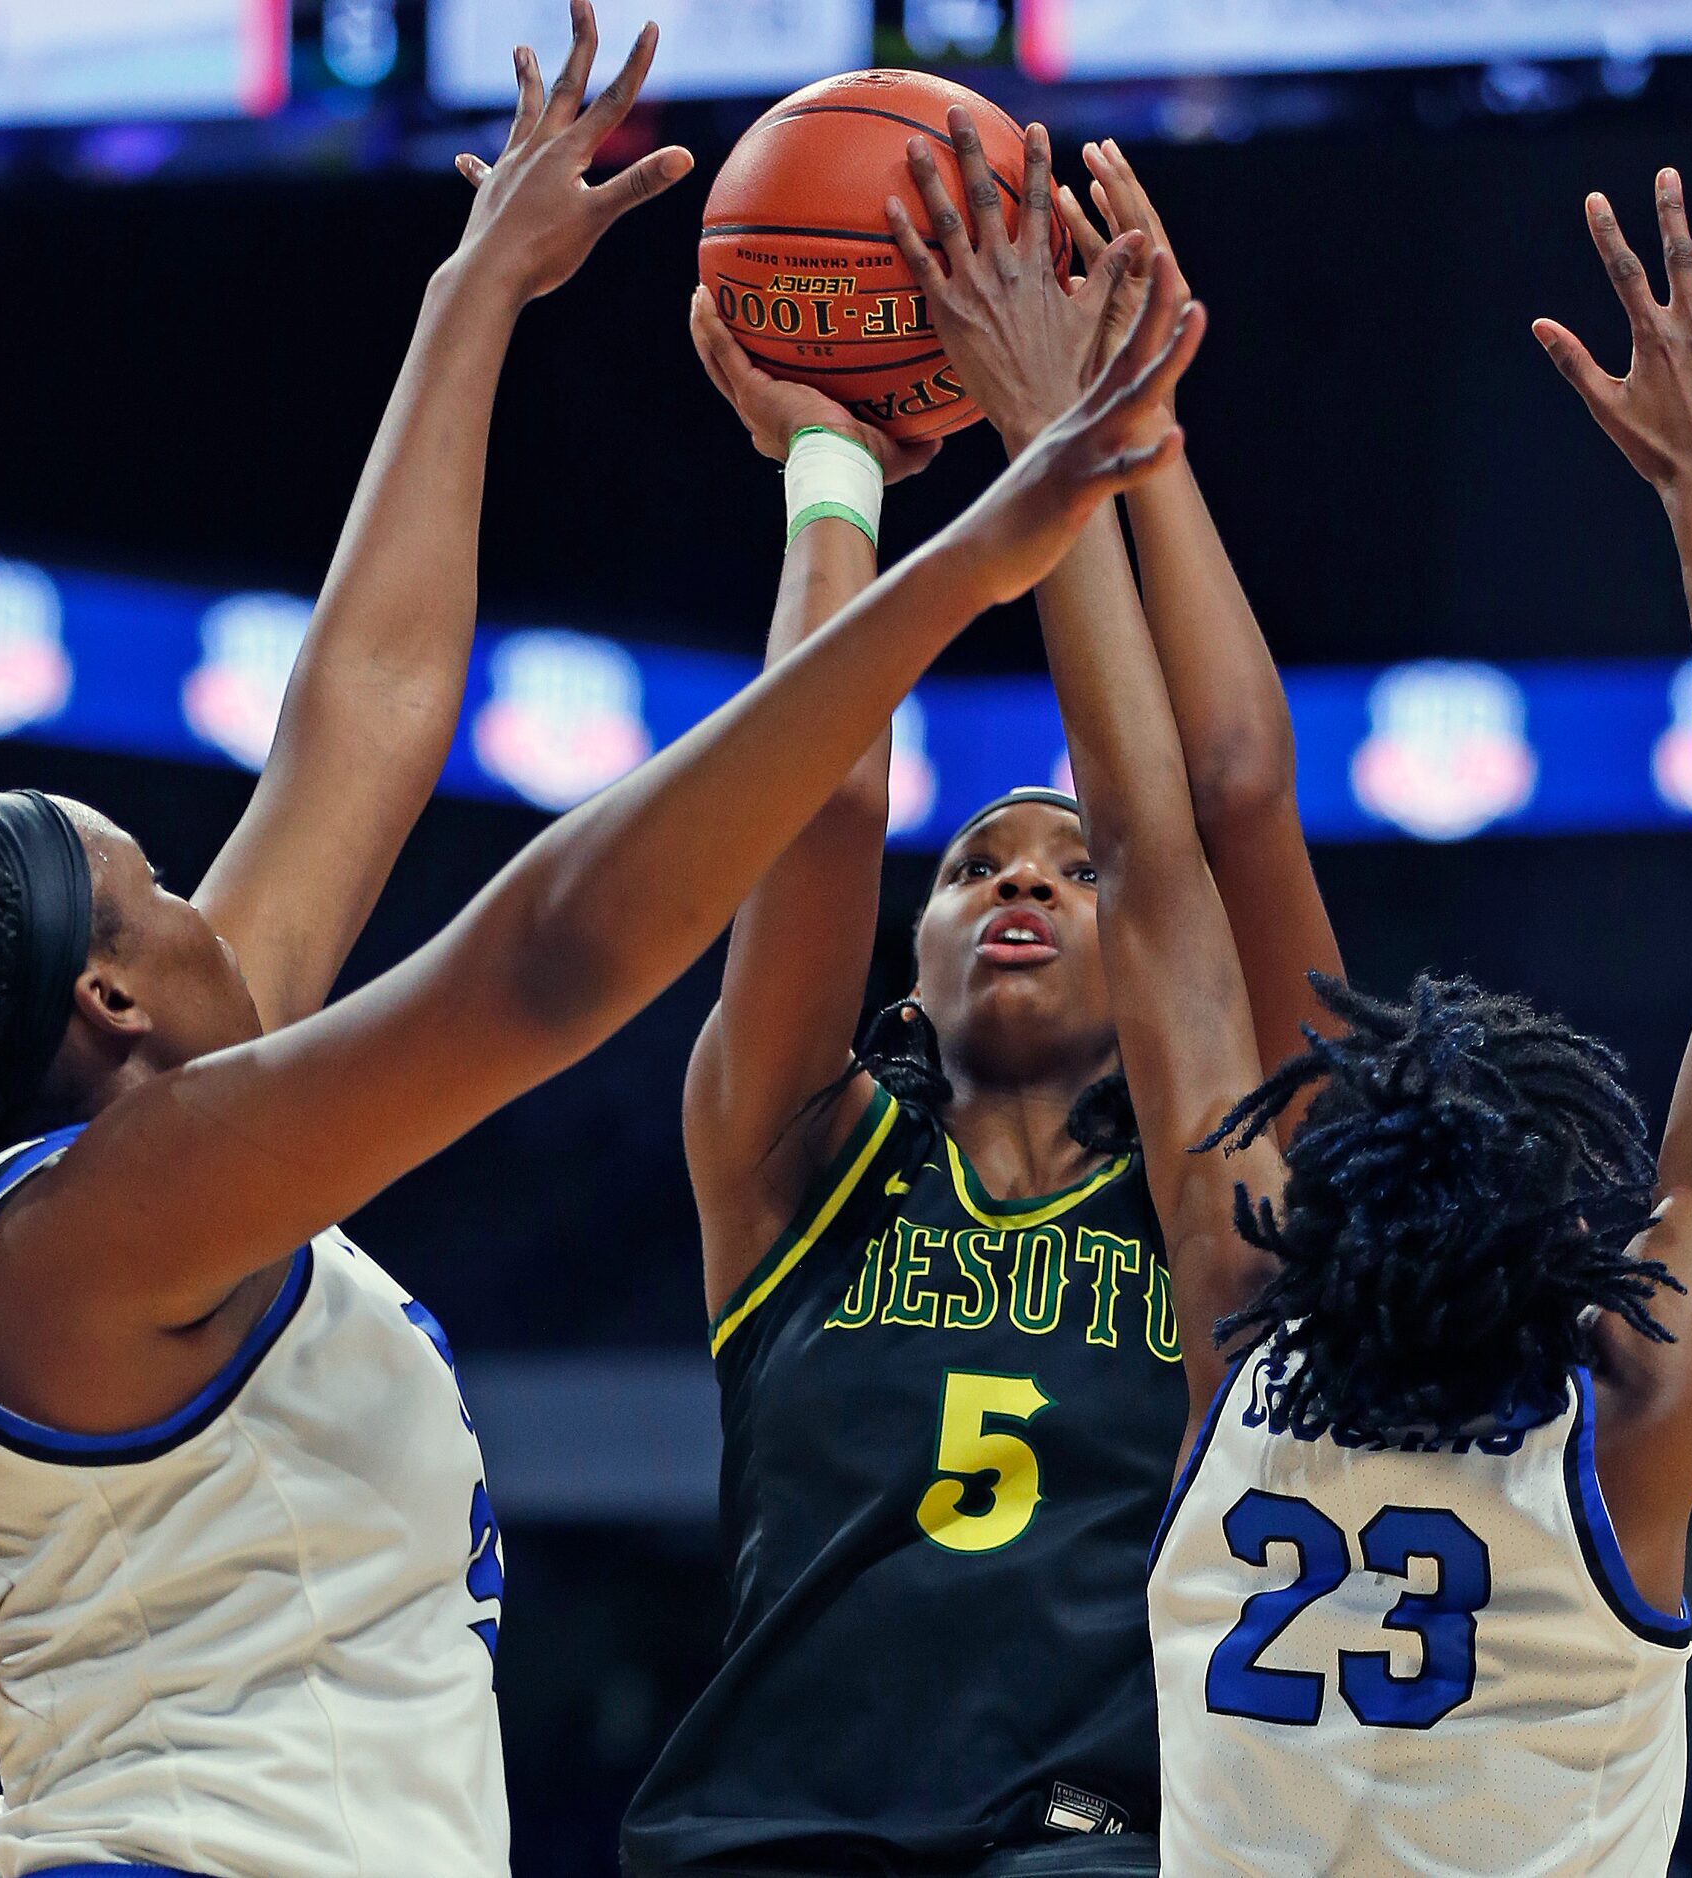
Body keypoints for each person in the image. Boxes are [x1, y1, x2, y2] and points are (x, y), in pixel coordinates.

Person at [0, 5, 1206, 1868]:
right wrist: (978, 548)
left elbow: (366, 716)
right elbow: (543, 961)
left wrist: (476, 292)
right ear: (109, 993)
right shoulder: (83, 1236)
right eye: (156, 878)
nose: (212, 890)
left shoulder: (160, 1156)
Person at [624, 116, 1338, 1878]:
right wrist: (831, 477)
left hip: (1085, 1844)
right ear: (914, 960)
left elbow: (1224, 803)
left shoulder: (1221, 1204)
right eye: (972, 869)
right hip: (759, 1840)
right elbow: (820, 786)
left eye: (1072, 866)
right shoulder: (796, 1162)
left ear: (1148, 958)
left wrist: (1119, 437)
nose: (1016, 878)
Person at [1147, 176, 1692, 1877]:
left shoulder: (1246, 1361)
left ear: (1306, 1217)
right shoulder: (1611, 1425)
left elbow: (1222, 817)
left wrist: (1118, 444)